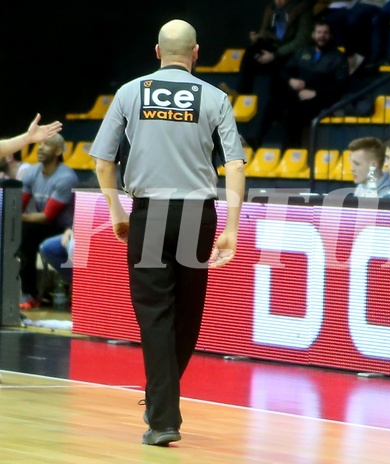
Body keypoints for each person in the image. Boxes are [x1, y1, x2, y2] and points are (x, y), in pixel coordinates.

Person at [90, 19, 246, 447]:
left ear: (156, 52)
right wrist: (232, 226)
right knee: (188, 312)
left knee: (155, 311)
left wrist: (117, 210)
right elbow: (234, 164)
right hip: (199, 213)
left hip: (151, 211)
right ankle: (162, 402)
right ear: (197, 53)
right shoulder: (216, 97)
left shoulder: (129, 91)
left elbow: (103, 161)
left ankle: (162, 415)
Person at [260, 20, 349, 149]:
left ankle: (291, 150)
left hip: (321, 99)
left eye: (325, 33)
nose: (322, 36)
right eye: (319, 32)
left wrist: (316, 93)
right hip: (299, 95)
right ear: (313, 35)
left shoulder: (338, 57)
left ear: (330, 36)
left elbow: (341, 86)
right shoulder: (304, 52)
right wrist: (291, 80)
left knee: (291, 112)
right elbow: (285, 69)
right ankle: (254, 140)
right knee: (272, 102)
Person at [18, 134, 79, 310]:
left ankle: (31, 294)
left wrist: (18, 218)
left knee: (25, 231)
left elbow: (48, 216)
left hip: (65, 228)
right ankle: (27, 293)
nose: (40, 147)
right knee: (17, 231)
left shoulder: (65, 177)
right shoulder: (32, 172)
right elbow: (18, 204)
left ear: (59, 151)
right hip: (42, 226)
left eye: (47, 144)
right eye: (40, 143)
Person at [219, 0, 313, 101]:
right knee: (252, 51)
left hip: (290, 51)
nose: (278, 1)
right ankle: (242, 92)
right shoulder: (271, 9)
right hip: (274, 46)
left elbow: (301, 41)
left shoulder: (302, 11)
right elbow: (266, 31)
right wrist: (258, 37)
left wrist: (275, 54)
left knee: (278, 63)